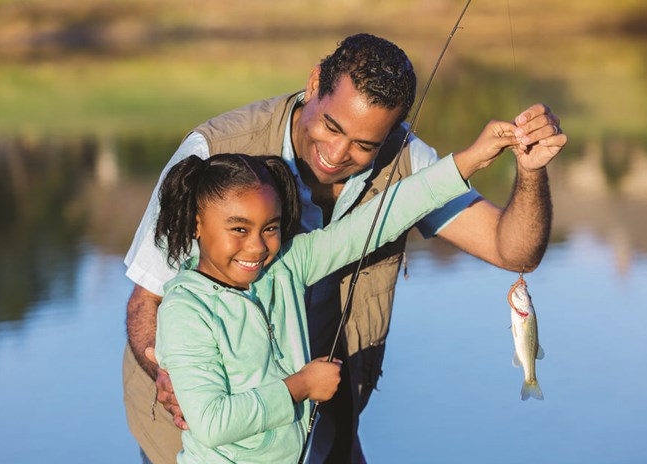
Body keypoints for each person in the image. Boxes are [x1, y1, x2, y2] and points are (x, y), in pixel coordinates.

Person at [123, 33, 566, 464]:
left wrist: (485, 160)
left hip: (311, 429)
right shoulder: (210, 157)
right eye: (332, 126)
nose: (336, 153)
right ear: (314, 83)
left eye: (365, 144)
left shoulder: (289, 260)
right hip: (193, 439)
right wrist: (170, 375)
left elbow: (399, 215)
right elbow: (149, 302)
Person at [153, 149, 482, 462]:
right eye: (239, 229)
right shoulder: (185, 310)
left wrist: (467, 161)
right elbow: (212, 424)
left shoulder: (287, 264)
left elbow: (374, 223)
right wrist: (302, 386)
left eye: (271, 228)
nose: (256, 247)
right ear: (197, 223)